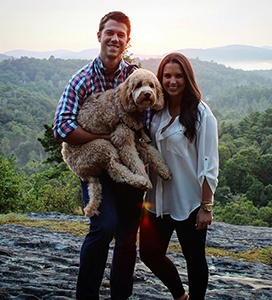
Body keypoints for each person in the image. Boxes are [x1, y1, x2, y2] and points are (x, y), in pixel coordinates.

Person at [53, 11, 143, 300]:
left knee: (128, 237)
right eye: (110, 32)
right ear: (99, 36)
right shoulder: (81, 80)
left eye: (121, 35)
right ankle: (87, 295)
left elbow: (152, 112)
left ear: (127, 41)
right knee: (103, 227)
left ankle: (121, 296)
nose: (115, 38)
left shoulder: (133, 76)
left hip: (127, 166)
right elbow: (62, 127)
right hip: (96, 165)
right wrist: (104, 139)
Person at [139, 52, 219, 300]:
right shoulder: (155, 111)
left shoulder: (202, 115)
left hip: (190, 201)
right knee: (149, 254)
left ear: (188, 78)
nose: (172, 81)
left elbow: (208, 163)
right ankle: (179, 295)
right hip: (156, 201)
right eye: (167, 76)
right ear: (160, 78)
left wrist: (206, 206)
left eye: (178, 76)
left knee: (195, 259)